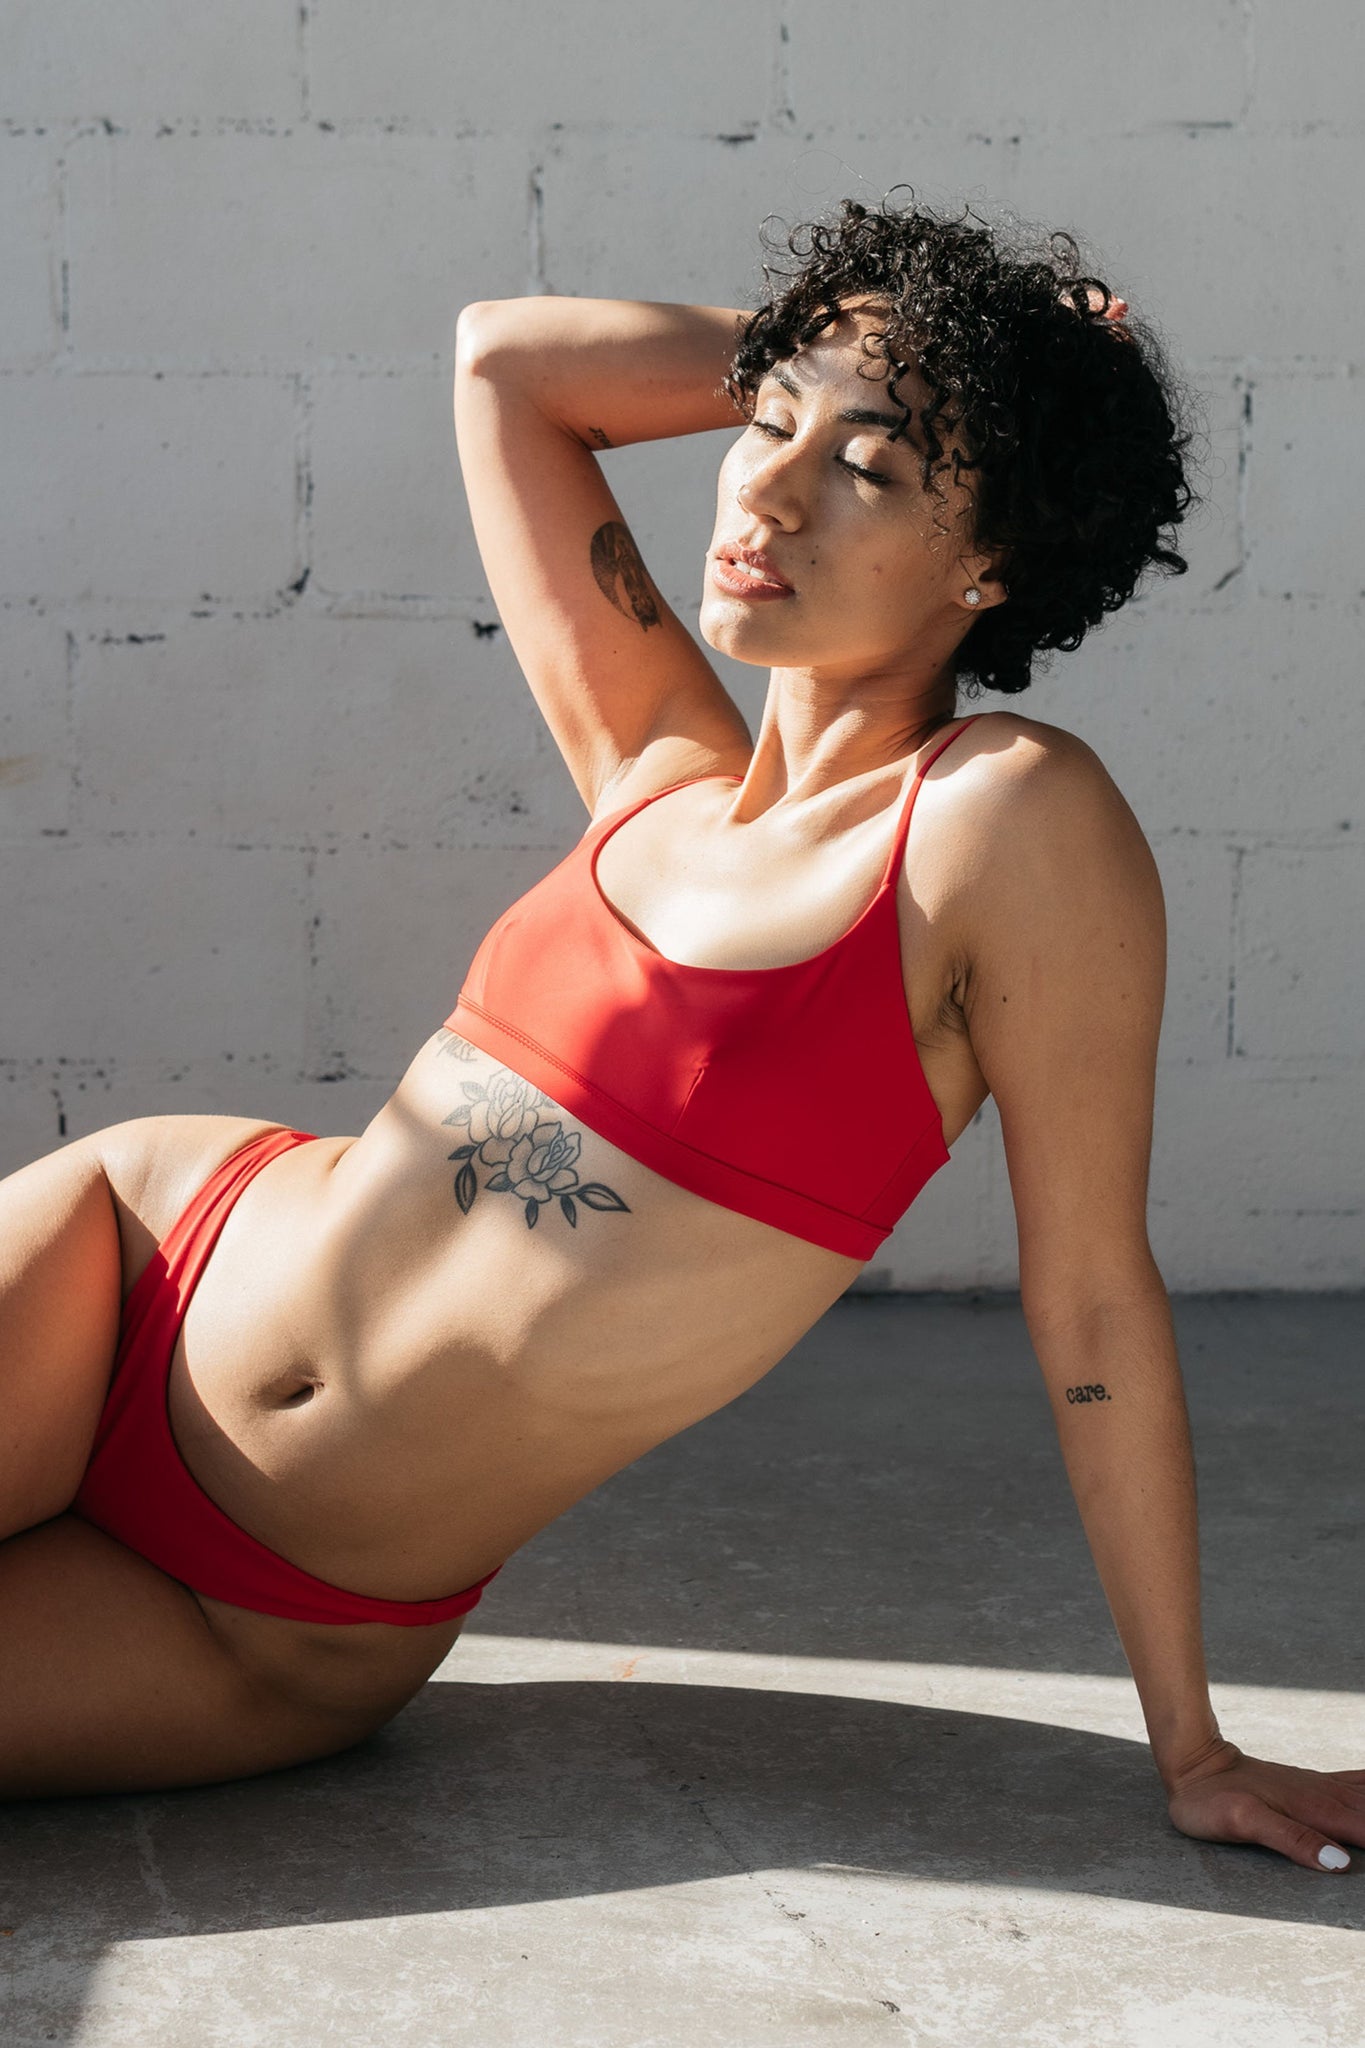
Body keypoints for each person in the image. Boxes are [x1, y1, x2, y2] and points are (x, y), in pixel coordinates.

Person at [2, 189, 1361, 1872]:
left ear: (992, 557)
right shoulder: (655, 758)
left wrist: (1194, 1744)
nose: (767, 489)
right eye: (768, 424)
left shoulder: (999, 823)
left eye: (866, 468)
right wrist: (888, 355)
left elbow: (1089, 1295)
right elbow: (504, 364)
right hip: (129, 1273)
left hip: (271, 1619)